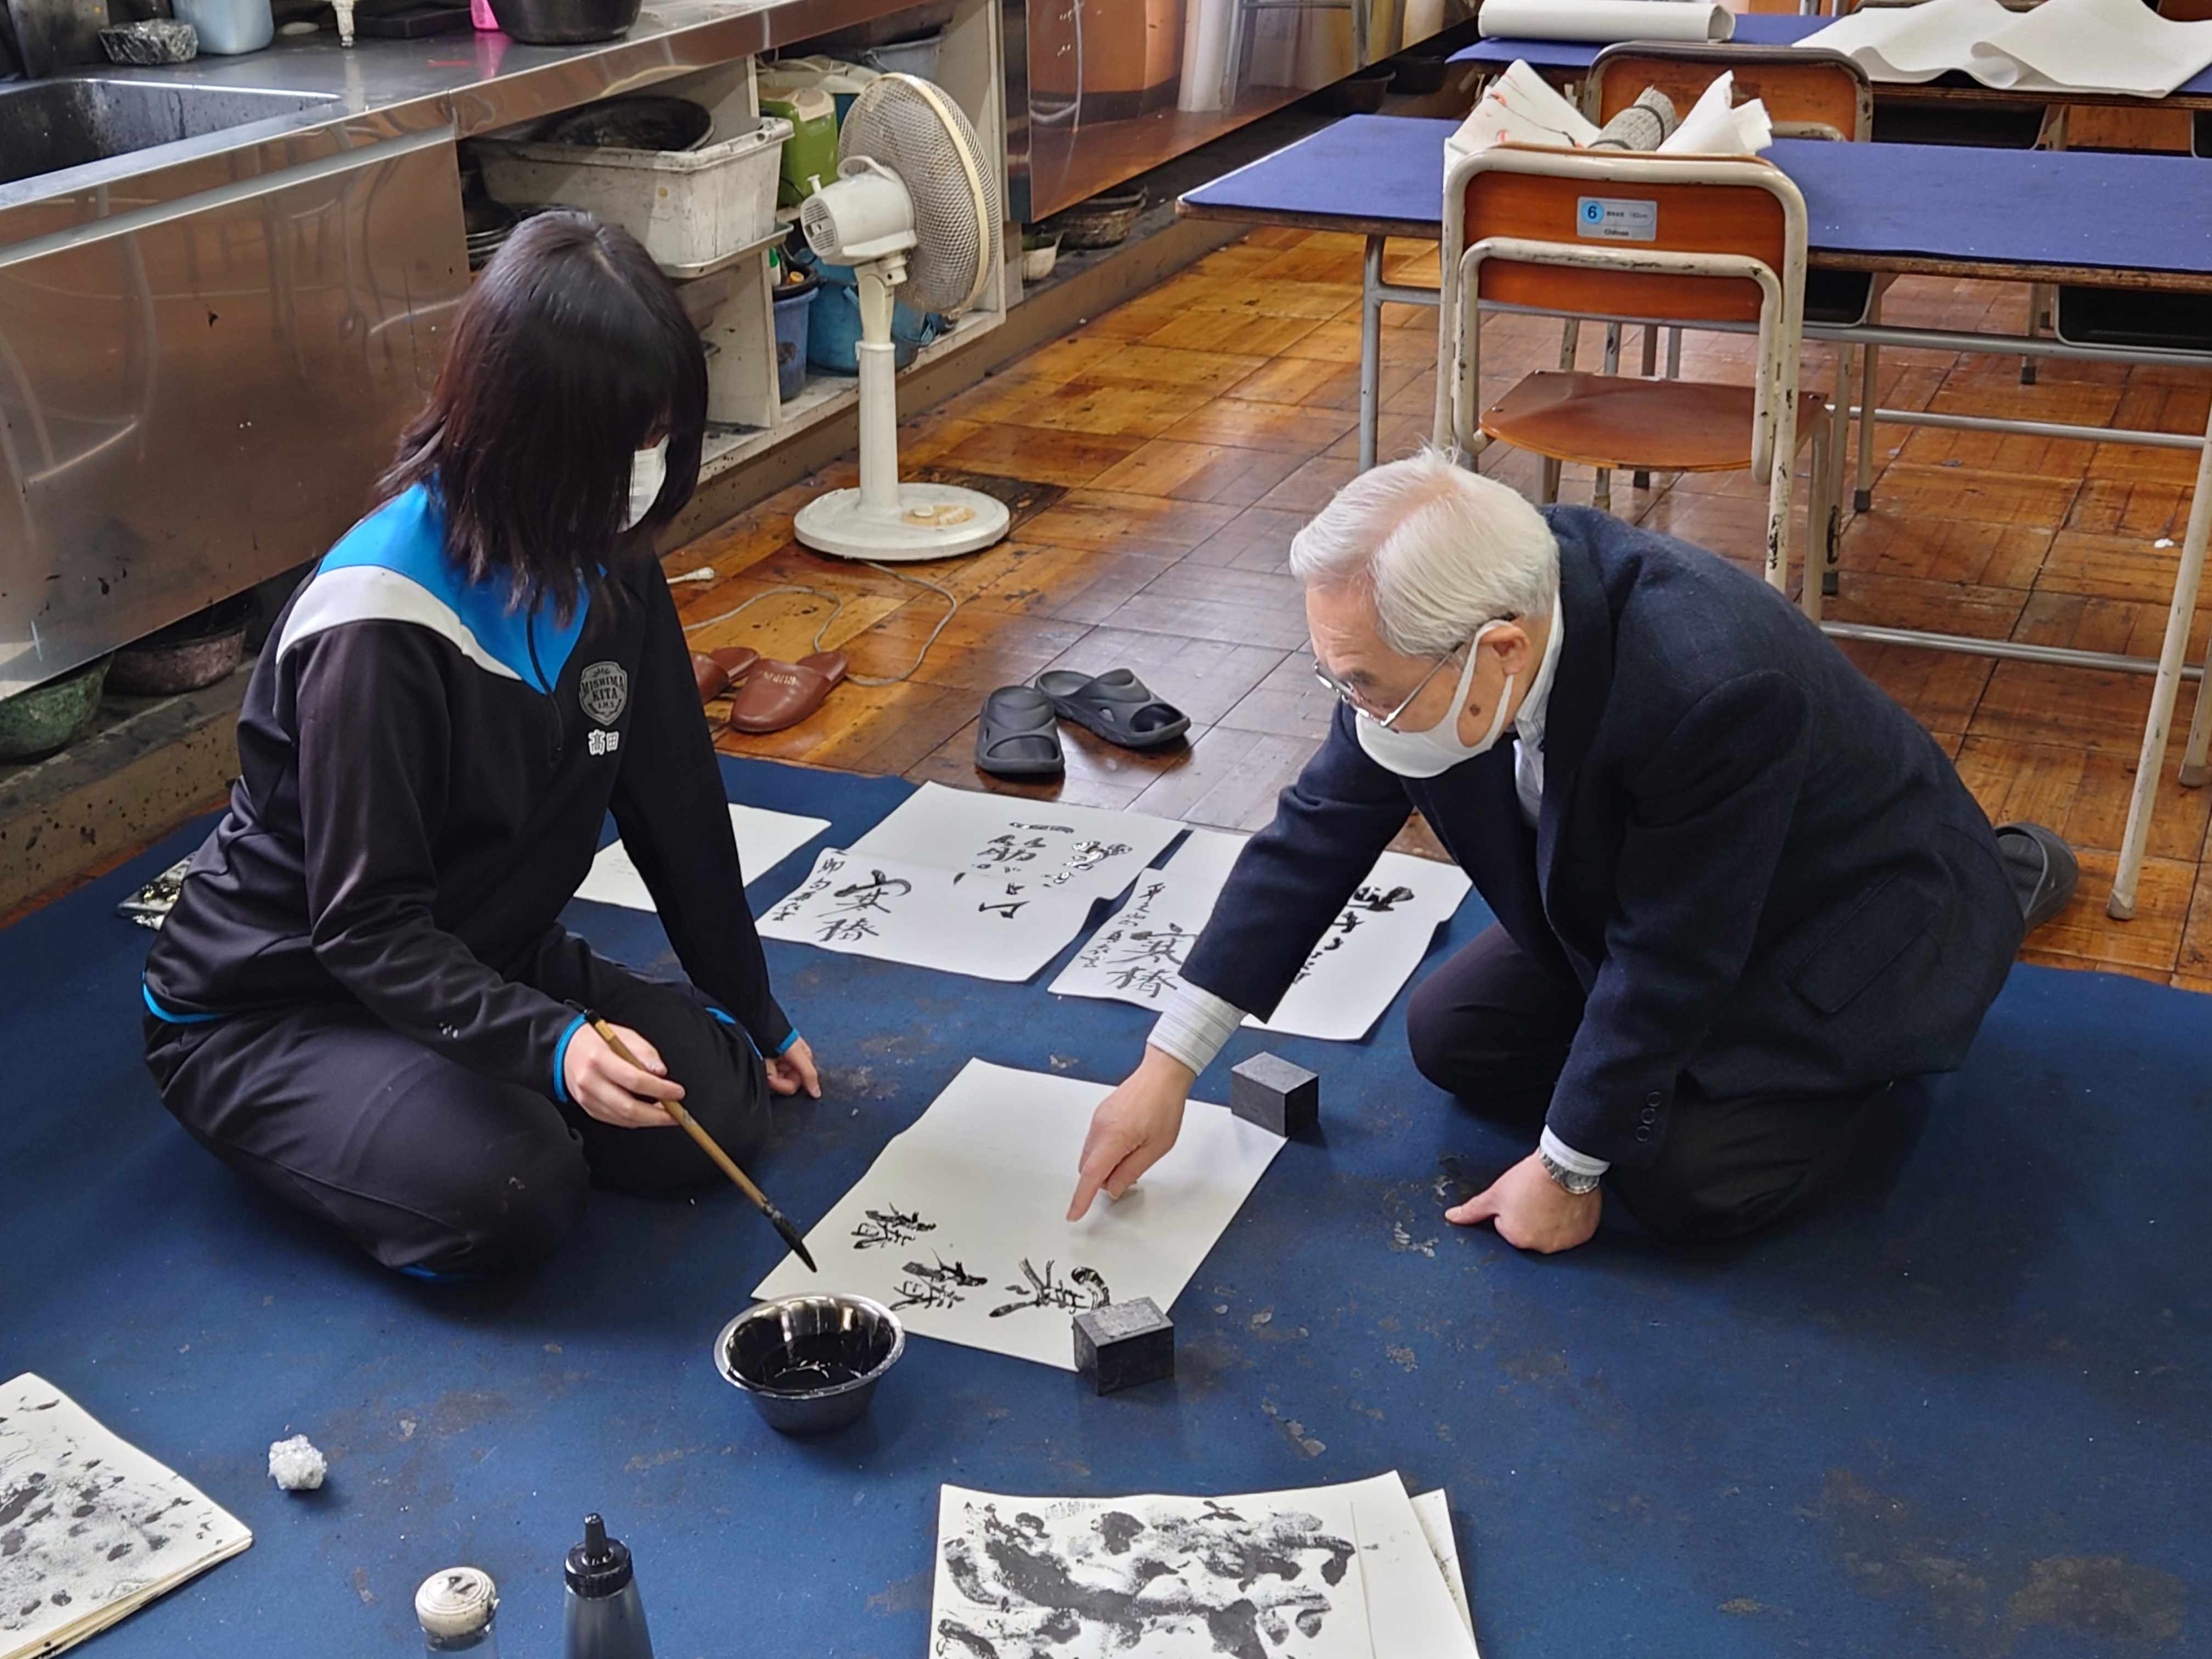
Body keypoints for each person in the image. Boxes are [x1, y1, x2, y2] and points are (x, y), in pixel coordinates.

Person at [1066, 453, 2075, 1252]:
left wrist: (1568, 1170)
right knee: (1455, 1039)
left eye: (1364, 687)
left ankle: (1922, 996)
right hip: (1671, 881)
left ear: (1500, 651)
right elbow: (1314, 834)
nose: (1353, 706)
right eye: (1341, 681)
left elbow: (1674, 950)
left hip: (1839, 914)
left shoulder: (1710, 682)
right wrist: (1167, 1067)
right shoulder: (1436, 618)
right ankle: (1686, 1077)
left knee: (1686, 1186)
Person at [141, 214, 820, 1278]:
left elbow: (676, 804)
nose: (646, 470)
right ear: (525, 435)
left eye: (658, 435)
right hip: (284, 1000)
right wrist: (552, 1047)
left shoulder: (606, 552)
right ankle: (346, 1119)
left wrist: (756, 1008)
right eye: (623, 443)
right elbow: (365, 926)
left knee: (720, 1103)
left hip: (481, 947)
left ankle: (469, 1091)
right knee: (511, 1191)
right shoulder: (381, 622)